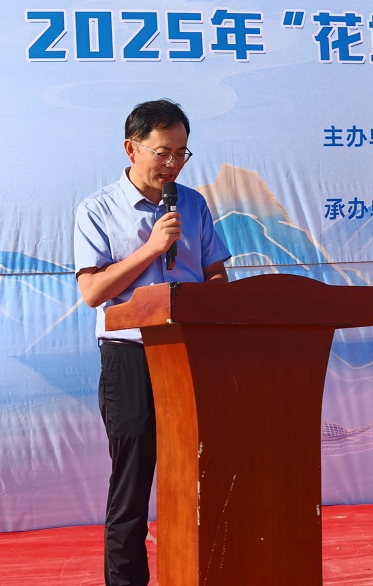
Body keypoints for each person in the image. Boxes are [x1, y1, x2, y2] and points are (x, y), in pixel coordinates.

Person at [73, 99, 230, 586]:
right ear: (132, 148)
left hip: (192, 353)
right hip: (130, 356)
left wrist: (218, 298)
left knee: (197, 475)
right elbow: (93, 292)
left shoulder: (194, 204)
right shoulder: (97, 209)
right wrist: (152, 248)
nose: (173, 164)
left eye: (182, 153)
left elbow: (215, 274)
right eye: (163, 152)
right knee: (133, 483)